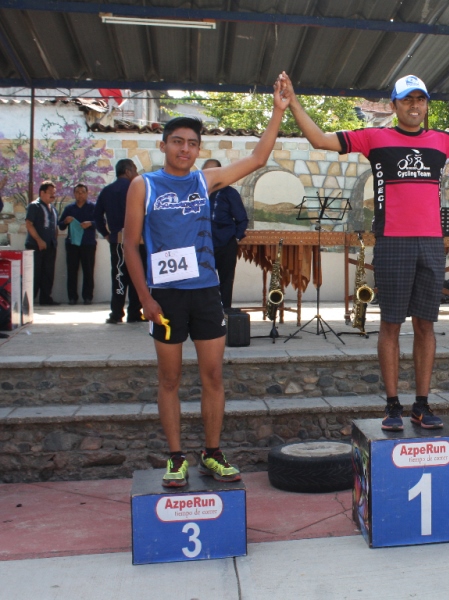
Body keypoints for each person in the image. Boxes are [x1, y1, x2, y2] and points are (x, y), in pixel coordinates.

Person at [279, 71, 449, 431]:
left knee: (426, 326)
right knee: (391, 325)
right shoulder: (374, 137)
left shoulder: (441, 141)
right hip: (393, 241)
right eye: (407, 99)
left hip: (430, 243)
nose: (414, 105)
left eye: (420, 99)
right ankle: (393, 405)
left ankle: (422, 405)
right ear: (393, 105)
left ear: (426, 106)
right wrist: (293, 102)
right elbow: (318, 139)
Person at [123, 83, 288, 488]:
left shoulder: (205, 181)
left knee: (213, 375)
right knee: (169, 379)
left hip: (205, 293)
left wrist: (278, 110)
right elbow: (129, 245)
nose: (184, 149)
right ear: (163, 145)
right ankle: (176, 457)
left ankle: (212, 453)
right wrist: (145, 298)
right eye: (177, 142)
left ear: (199, 149)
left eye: (192, 143)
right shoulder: (143, 185)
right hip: (165, 298)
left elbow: (258, 157)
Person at [95, 159, 148, 323]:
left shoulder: (107, 191)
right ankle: (134, 312)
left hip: (117, 241)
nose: (137, 174)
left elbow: (97, 216)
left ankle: (116, 313)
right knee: (137, 275)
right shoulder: (138, 189)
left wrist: (106, 234)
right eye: (134, 170)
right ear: (127, 171)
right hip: (138, 240)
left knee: (119, 275)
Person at [201, 159, 249, 309]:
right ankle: (203, 312)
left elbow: (242, 219)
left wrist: (235, 237)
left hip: (225, 242)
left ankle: (225, 312)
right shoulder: (197, 192)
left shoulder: (230, 193)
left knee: (226, 280)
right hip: (202, 243)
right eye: (205, 172)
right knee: (202, 279)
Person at [58, 183, 97, 305]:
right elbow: (61, 225)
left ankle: (87, 297)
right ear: (74, 194)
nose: (80, 195)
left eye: (82, 192)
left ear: (87, 193)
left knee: (88, 271)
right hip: (72, 244)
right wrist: (66, 221)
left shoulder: (93, 207)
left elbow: (101, 222)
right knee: (72, 271)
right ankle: (72, 297)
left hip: (88, 243)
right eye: (77, 192)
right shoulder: (69, 209)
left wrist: (90, 223)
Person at [24, 181, 60, 305]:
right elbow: (29, 224)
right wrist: (39, 240)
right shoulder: (34, 206)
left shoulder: (53, 208)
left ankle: (46, 298)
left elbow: (55, 226)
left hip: (50, 246)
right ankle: (30, 300)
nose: (53, 195)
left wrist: (54, 240)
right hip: (35, 246)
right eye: (50, 192)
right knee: (35, 273)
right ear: (42, 192)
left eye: (54, 193)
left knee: (48, 273)